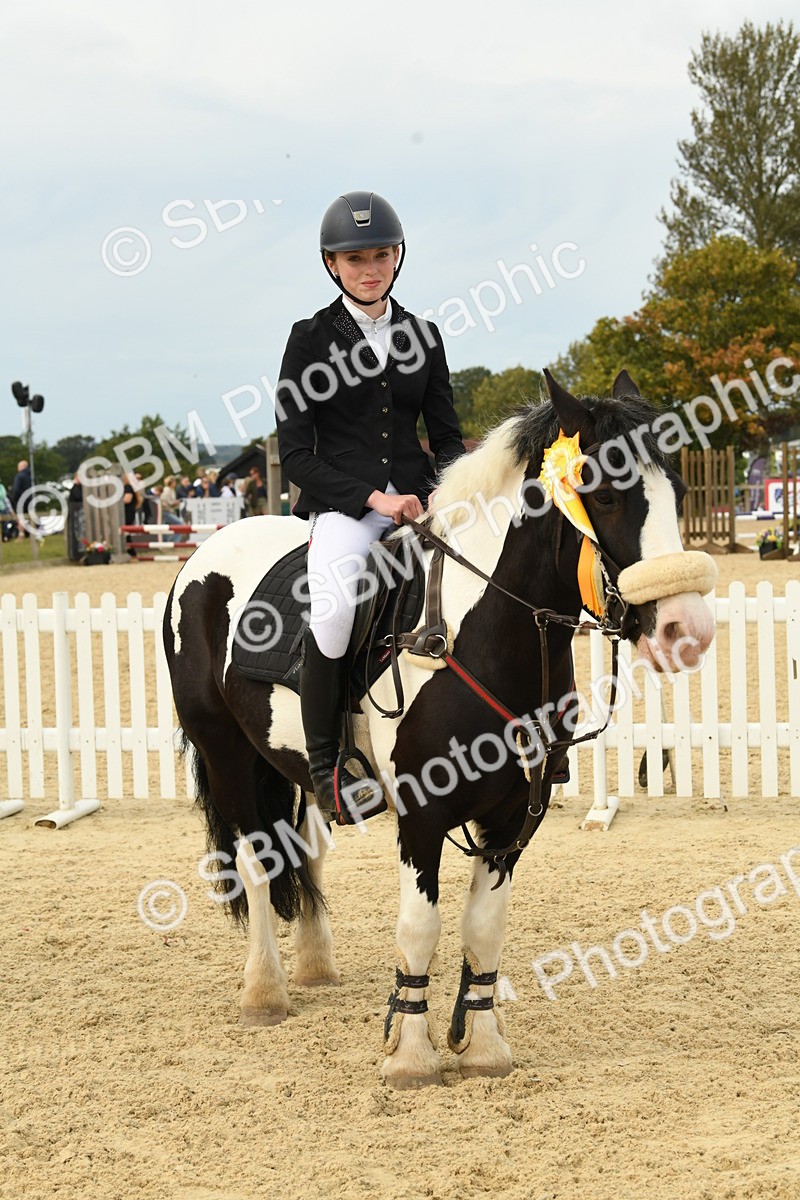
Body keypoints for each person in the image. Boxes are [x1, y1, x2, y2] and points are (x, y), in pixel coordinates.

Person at [276, 190, 465, 822]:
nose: (370, 268)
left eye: (381, 255)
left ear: (397, 257)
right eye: (355, 258)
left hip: (419, 504)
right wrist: (371, 498)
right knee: (331, 614)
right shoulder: (308, 340)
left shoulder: (422, 335)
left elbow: (444, 437)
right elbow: (296, 454)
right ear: (333, 264)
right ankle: (329, 767)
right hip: (345, 509)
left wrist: (442, 488)